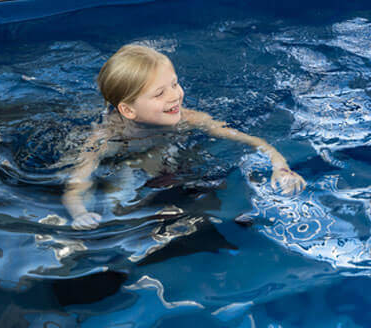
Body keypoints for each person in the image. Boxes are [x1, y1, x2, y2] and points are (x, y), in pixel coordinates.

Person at [63, 44, 305, 229]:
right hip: (129, 158)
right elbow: (76, 185)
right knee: (122, 203)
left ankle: (214, 211)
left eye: (175, 84)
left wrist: (281, 167)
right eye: (160, 93)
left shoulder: (190, 118)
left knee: (208, 178)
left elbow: (252, 141)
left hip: (169, 154)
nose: (175, 96)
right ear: (128, 110)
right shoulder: (105, 138)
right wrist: (80, 214)